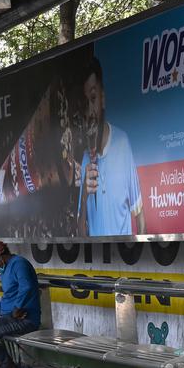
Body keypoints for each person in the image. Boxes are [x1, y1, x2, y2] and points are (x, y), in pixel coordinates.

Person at [76, 57, 146, 236]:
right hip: (98, 262)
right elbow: (81, 233)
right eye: (85, 104)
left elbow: (139, 215)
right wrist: (84, 196)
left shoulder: (122, 142)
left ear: (103, 99)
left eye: (93, 98)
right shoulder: (85, 158)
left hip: (124, 260)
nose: (90, 111)